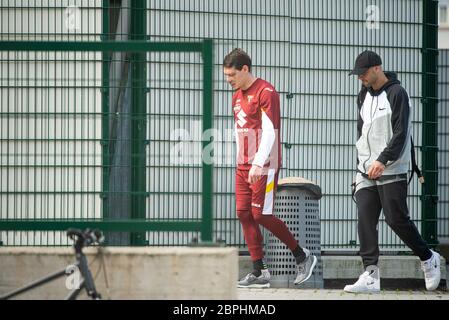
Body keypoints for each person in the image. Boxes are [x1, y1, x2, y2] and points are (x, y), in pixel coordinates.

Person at [346, 50, 441, 293]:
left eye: (363, 73)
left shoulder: (397, 94)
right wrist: (362, 164)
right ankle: (370, 274)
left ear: (377, 68)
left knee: (396, 219)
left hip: (391, 167)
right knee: (365, 218)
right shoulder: (363, 95)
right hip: (366, 169)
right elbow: (362, 132)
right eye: (358, 75)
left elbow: (401, 133)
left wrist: (383, 159)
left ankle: (428, 257)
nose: (360, 78)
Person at [223, 48, 317, 288]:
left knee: (261, 214)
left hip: (265, 164)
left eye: (232, 75)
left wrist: (257, 162)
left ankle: (303, 256)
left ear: (245, 69)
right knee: (244, 213)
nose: (228, 80)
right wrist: (240, 159)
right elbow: (239, 131)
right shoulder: (236, 96)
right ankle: (259, 271)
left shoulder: (267, 91)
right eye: (226, 75)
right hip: (243, 165)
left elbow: (270, 132)